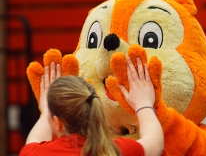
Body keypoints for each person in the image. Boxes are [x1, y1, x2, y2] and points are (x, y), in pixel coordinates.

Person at [19, 57, 164, 156]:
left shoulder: (35, 153)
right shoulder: (116, 151)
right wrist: (143, 104)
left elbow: (33, 141)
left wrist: (46, 111)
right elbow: (155, 142)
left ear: (57, 123)